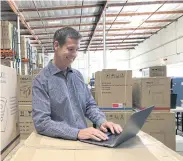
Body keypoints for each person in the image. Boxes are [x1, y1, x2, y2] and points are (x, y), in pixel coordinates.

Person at [32, 27, 122, 141]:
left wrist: (102, 121)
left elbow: (89, 105)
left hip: (84, 140)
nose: (74, 54)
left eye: (77, 49)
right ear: (56, 45)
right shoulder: (41, 81)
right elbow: (42, 122)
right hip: (59, 142)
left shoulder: (77, 76)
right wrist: (76, 133)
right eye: (70, 49)